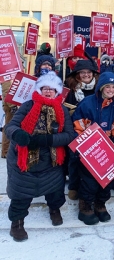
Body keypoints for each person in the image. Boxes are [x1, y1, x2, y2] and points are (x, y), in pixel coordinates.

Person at [4, 71, 74, 242]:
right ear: (39, 89)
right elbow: (11, 126)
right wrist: (19, 135)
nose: (48, 91)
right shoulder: (27, 106)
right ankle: (17, 223)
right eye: (44, 88)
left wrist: (48, 139)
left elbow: (69, 135)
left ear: (57, 91)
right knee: (21, 193)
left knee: (55, 191)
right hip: (25, 159)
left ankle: (54, 210)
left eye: (52, 89)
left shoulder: (62, 109)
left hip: (51, 159)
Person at [72, 72, 114, 225]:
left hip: (107, 149)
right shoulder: (87, 103)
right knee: (89, 181)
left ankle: (100, 204)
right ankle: (85, 207)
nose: (110, 89)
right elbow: (78, 126)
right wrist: (81, 147)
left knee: (107, 179)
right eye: (107, 86)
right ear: (101, 87)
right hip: (89, 148)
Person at [64, 59, 100, 200]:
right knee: (74, 158)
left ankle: (90, 186)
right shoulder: (69, 90)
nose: (86, 75)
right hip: (75, 129)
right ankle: (73, 186)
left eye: (88, 72)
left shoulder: (98, 88)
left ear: (93, 73)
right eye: (82, 72)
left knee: (92, 159)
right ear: (77, 75)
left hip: (94, 129)